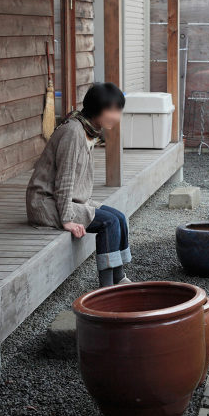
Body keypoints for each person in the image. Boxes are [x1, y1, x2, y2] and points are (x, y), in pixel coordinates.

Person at [26, 82, 132, 287]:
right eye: (110, 110)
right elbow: (64, 179)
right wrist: (67, 219)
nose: (116, 116)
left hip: (69, 199)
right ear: (96, 108)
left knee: (119, 217)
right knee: (108, 223)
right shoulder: (73, 132)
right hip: (46, 203)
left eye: (118, 110)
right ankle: (107, 289)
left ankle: (119, 279)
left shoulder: (87, 129)